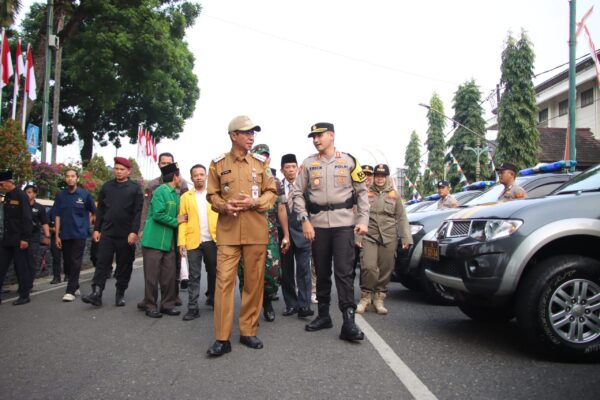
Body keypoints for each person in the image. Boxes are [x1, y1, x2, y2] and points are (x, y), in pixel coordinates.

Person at [206, 115, 277, 357]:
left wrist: (256, 202)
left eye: (253, 133)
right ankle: (222, 338)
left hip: (256, 231)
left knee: (254, 283)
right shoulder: (217, 164)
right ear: (233, 135)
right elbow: (212, 195)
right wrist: (223, 206)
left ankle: (248, 331)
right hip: (227, 232)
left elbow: (272, 191)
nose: (251, 137)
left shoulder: (260, 164)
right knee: (224, 282)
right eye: (246, 132)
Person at [291, 122, 369, 342]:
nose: (316, 140)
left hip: (344, 224)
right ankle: (323, 315)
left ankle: (349, 322)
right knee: (322, 271)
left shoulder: (349, 161)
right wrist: (304, 220)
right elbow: (297, 193)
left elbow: (362, 192)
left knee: (344, 272)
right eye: (313, 137)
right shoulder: (308, 164)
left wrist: (362, 220)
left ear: (331, 135)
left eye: (319, 136)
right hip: (317, 226)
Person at [237, 144, 290, 323]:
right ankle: (249, 311)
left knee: (272, 272)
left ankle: (267, 302)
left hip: (270, 233)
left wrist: (286, 235)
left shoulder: (275, 181)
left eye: (266, 156)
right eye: (260, 156)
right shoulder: (244, 177)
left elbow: (281, 209)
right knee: (246, 272)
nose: (263, 159)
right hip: (247, 232)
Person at [82, 158, 143, 307]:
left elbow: (137, 213)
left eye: (122, 169)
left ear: (128, 171)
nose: (118, 171)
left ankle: (120, 292)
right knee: (102, 262)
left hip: (126, 233)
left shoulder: (135, 189)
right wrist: (97, 229)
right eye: (116, 168)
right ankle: (96, 293)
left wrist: (134, 232)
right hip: (107, 232)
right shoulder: (107, 187)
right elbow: (101, 210)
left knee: (124, 265)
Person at [357, 164, 413, 315]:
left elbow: (401, 217)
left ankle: (379, 298)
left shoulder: (394, 195)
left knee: (386, 269)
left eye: (383, 176)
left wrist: (406, 237)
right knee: (368, 266)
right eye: (377, 176)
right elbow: (358, 215)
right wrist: (357, 237)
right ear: (374, 177)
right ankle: (365, 297)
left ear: (387, 177)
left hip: (389, 237)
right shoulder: (365, 192)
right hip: (369, 235)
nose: (380, 179)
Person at [140, 163, 188, 318]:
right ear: (175, 177)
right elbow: (158, 214)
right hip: (154, 240)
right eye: (179, 176)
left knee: (169, 276)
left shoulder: (175, 193)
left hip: (169, 242)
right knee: (152, 277)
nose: (180, 179)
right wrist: (177, 220)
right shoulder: (161, 191)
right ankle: (150, 305)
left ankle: (167, 305)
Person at [178, 164, 218, 321]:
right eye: (196, 175)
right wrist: (181, 242)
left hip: (212, 240)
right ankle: (193, 307)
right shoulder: (185, 197)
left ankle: (214, 300)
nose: (199, 177)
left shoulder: (214, 195)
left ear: (207, 176)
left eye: (202, 174)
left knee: (214, 272)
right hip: (193, 240)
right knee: (194, 275)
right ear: (192, 178)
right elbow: (182, 221)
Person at [54, 169, 97, 302]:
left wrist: (87, 224)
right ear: (65, 179)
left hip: (79, 234)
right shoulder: (61, 196)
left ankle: (70, 291)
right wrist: (56, 235)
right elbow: (57, 216)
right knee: (67, 262)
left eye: (73, 176)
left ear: (77, 178)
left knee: (75, 260)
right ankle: (75, 284)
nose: (70, 179)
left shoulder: (84, 195)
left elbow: (95, 212)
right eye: (68, 176)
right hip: (65, 234)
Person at [279, 153, 313, 318]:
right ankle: (291, 304)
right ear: (282, 170)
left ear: (298, 168)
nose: (291, 170)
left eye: (293, 166)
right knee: (286, 271)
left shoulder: (307, 186)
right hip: (283, 234)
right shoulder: (276, 187)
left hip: (303, 233)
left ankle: (304, 305)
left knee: (304, 270)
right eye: (287, 167)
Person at [0, 171, 33, 305]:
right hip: (7, 238)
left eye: (2, 184)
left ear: (10, 182)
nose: (1, 186)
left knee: (21, 268)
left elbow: (26, 217)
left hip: (19, 238)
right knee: (1, 266)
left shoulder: (21, 195)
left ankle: (24, 295)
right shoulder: (7, 196)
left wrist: (25, 238)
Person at [24, 185, 50, 286]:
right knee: (20, 262)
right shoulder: (21, 206)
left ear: (35, 194)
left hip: (33, 238)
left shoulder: (39, 207)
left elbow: (44, 223)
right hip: (21, 237)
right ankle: (23, 284)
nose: (28, 194)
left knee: (31, 260)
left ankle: (29, 284)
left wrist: (47, 236)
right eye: (26, 192)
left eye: (30, 192)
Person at [47, 204, 64, 284]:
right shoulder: (52, 210)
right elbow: (45, 223)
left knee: (69, 257)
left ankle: (68, 275)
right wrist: (52, 229)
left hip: (67, 235)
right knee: (56, 257)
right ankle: (56, 277)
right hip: (55, 236)